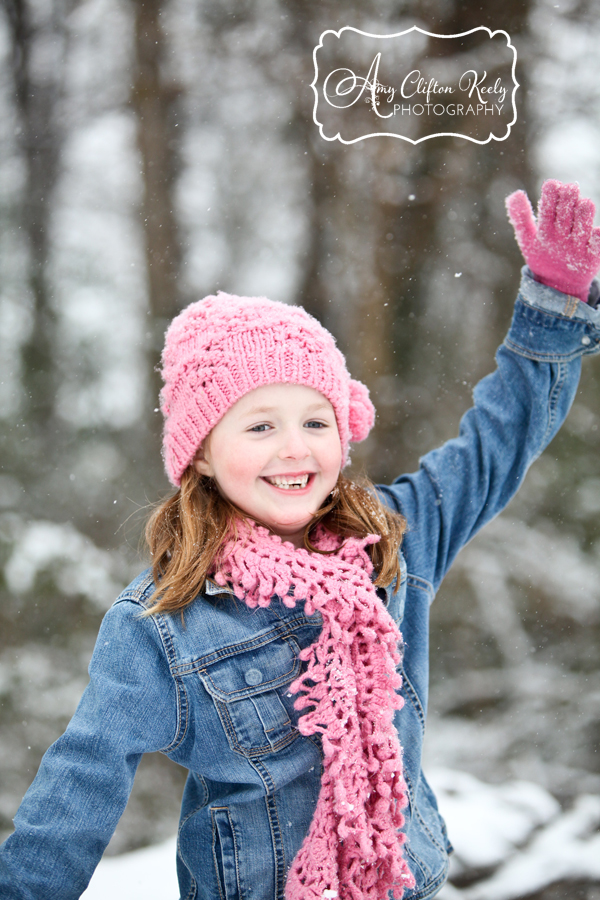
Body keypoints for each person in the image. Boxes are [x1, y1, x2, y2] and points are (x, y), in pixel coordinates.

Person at [1, 179, 600, 900]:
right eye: (259, 426)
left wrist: (551, 313)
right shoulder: (164, 624)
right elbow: (80, 787)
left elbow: (496, 445)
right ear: (200, 454)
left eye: (315, 421)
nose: (295, 449)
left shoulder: (393, 545)